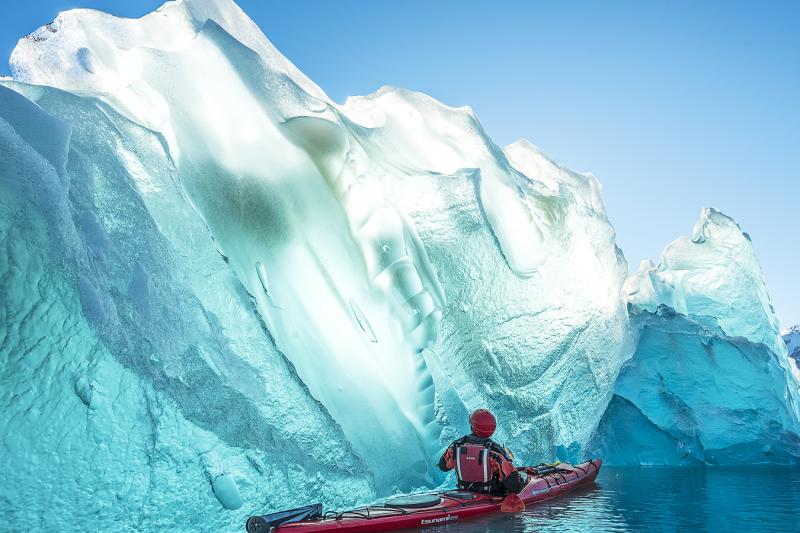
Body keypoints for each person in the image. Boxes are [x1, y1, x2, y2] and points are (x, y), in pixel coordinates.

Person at [438, 409, 527, 495]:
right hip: (491, 495)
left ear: (472, 426)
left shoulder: (456, 446)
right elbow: (514, 486)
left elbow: (443, 466)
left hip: (464, 493)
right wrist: (522, 479)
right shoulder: (495, 451)